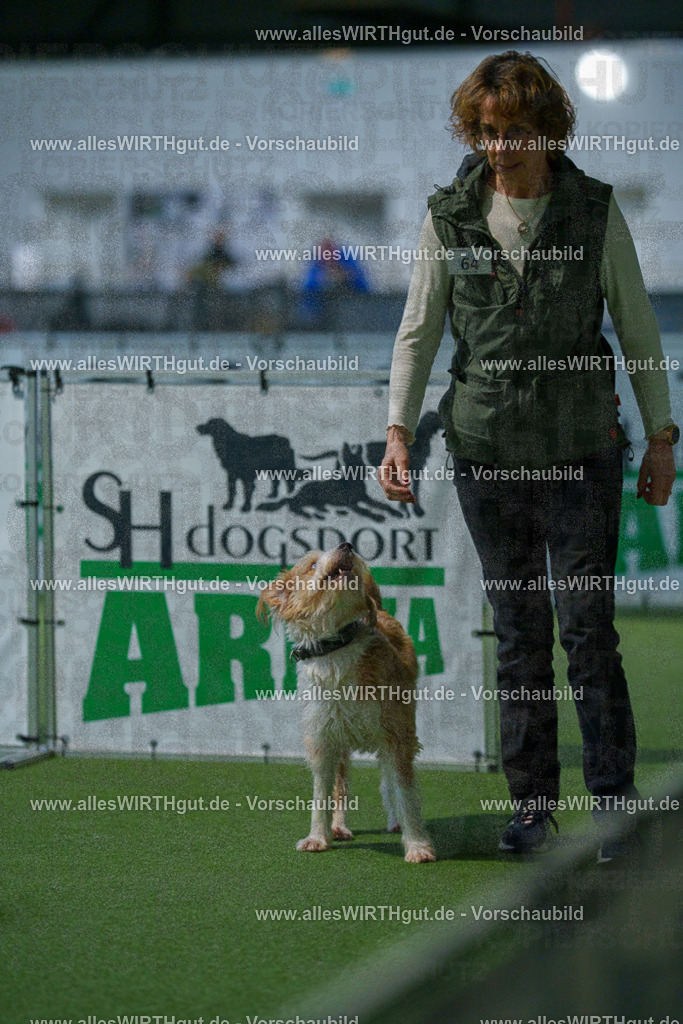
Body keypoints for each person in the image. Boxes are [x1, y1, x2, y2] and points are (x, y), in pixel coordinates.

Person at [379, 51, 678, 861]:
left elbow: (637, 326)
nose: (499, 147)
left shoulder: (593, 211)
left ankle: (612, 808)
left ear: (548, 131)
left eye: (514, 131)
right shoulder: (449, 218)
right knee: (517, 636)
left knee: (587, 631)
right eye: (485, 132)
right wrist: (398, 432)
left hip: (582, 452)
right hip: (484, 453)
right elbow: (417, 332)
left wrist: (659, 435)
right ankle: (532, 811)